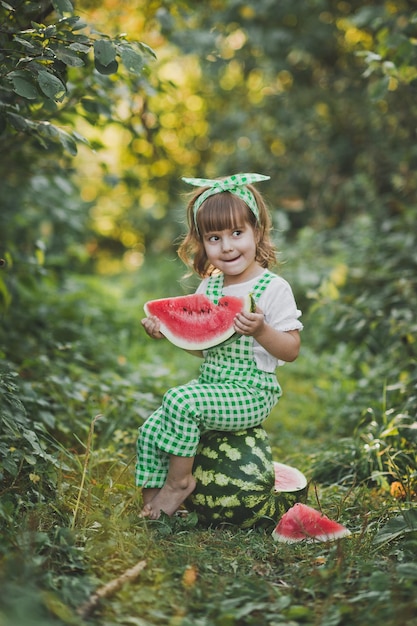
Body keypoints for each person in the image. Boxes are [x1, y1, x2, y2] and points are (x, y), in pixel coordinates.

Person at [136, 173, 303, 519]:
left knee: (178, 401)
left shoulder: (273, 288)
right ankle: (153, 504)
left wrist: (261, 330)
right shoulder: (208, 288)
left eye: (237, 233)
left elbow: (291, 349)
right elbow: (202, 346)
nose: (227, 247)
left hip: (251, 391)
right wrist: (168, 330)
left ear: (257, 232)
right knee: (152, 427)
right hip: (211, 386)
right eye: (215, 237)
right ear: (202, 243)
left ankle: (180, 484)